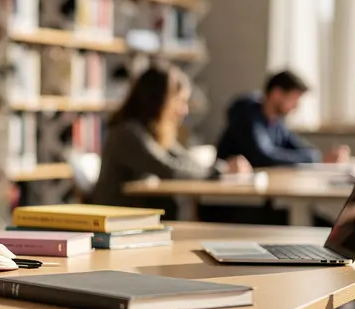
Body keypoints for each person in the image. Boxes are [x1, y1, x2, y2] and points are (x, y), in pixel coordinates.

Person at [90, 64, 252, 217]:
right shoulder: (127, 133)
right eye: (180, 102)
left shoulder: (152, 130)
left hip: (138, 212)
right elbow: (169, 169)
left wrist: (221, 168)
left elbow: (183, 158)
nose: (185, 110)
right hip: (117, 218)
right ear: (159, 101)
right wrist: (219, 172)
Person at [216, 70, 350, 167]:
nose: (296, 107)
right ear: (277, 94)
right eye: (293, 99)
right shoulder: (248, 115)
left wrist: (318, 157)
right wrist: (312, 158)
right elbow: (263, 157)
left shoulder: (276, 121)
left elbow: (298, 147)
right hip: (233, 198)